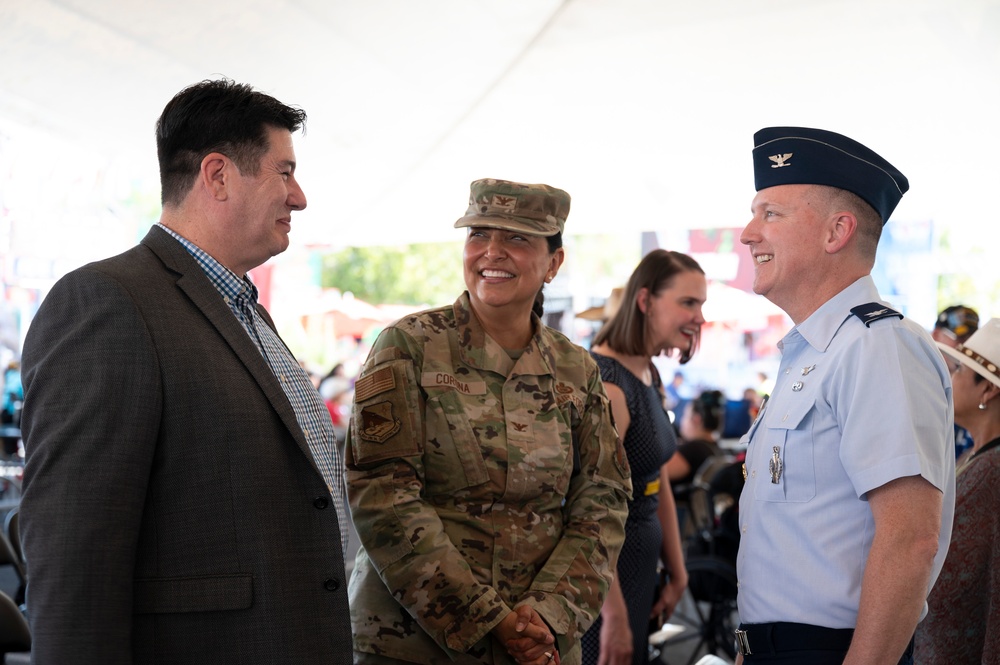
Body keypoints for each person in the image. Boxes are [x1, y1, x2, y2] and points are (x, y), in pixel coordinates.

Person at [19, 79, 353, 665]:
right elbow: (73, 552)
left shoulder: (244, 309)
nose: (298, 197)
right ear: (218, 175)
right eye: (284, 171)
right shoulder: (107, 302)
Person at [345, 178, 632, 665]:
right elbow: (383, 496)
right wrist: (489, 619)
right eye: (479, 234)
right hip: (413, 641)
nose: (491, 252)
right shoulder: (408, 346)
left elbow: (603, 500)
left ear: (554, 263)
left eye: (517, 238)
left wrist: (546, 616)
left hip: (539, 646)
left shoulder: (575, 369)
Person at [734, 127, 955, 665]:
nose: (746, 233)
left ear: (837, 232)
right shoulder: (814, 351)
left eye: (771, 214)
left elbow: (909, 541)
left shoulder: (879, 347)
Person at [582, 249, 707, 665]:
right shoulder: (609, 384)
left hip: (639, 567)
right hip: (604, 584)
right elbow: (585, 510)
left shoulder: (647, 372)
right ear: (645, 301)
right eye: (688, 302)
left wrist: (678, 569)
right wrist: (613, 614)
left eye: (701, 305)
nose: (699, 318)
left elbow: (657, 479)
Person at [915, 317, 1000, 663]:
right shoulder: (976, 458)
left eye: (959, 372)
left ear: (988, 390)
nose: (948, 382)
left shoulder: (992, 471)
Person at [931, 304, 980, 459]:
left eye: (972, 338)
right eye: (959, 337)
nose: (965, 346)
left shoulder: (977, 386)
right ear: (936, 335)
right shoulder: (921, 381)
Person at [667, 389, 726, 487]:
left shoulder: (693, 450)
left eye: (685, 416)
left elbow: (657, 474)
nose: (682, 422)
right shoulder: (718, 449)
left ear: (696, 419)